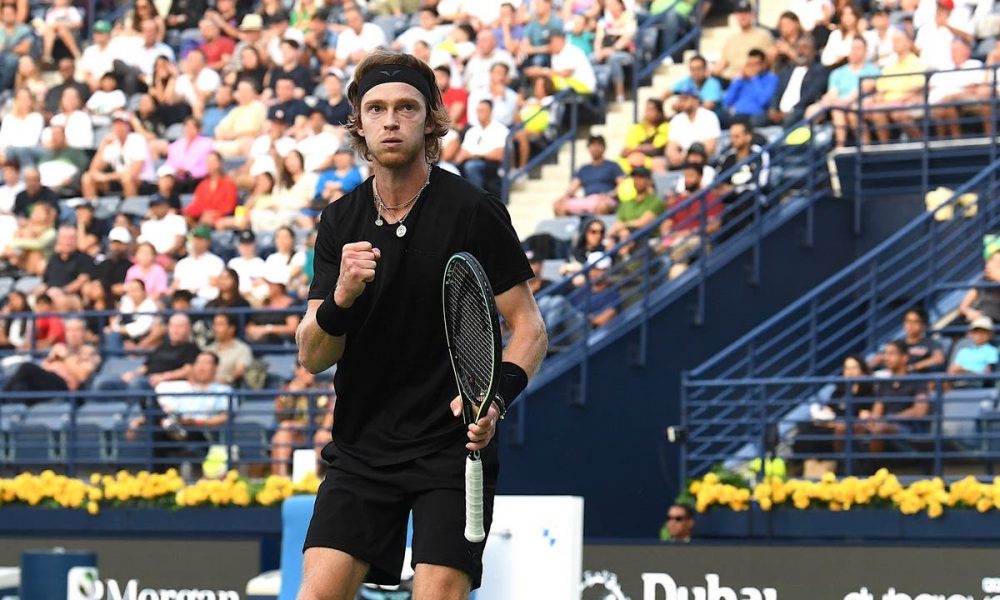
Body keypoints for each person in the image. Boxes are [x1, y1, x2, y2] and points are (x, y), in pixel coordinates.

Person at [295, 50, 546, 599]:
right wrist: (340, 297)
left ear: (430, 118)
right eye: (377, 108)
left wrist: (495, 397)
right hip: (361, 445)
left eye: (406, 107)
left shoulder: (473, 211)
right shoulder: (339, 219)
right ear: (357, 123)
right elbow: (313, 354)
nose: (390, 120)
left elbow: (529, 328)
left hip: (450, 448)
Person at [125, 351, 231, 470]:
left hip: (199, 432)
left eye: (206, 363)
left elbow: (225, 417)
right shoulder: (186, 390)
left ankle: (167, 425)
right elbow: (170, 411)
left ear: (215, 368)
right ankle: (159, 482)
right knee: (148, 401)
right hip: (175, 427)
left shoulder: (223, 390)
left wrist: (197, 422)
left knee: (167, 432)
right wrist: (138, 421)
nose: (201, 367)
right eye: (198, 362)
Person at [2, 318, 100, 399]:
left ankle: (2, 398)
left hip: (65, 386)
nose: (73, 334)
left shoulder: (90, 351)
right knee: (21, 388)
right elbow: (45, 366)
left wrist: (66, 358)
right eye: (69, 331)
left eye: (77, 330)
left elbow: (82, 376)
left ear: (84, 333)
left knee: (26, 367)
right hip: (47, 382)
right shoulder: (59, 348)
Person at [270, 363, 335, 475]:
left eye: (313, 372)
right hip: (297, 434)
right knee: (281, 436)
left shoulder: (321, 389)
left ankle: (312, 481)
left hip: (317, 431)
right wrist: (291, 395)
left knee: (320, 437)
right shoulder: (287, 390)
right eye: (306, 371)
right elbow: (281, 417)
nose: (311, 375)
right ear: (297, 371)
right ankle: (281, 480)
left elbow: (326, 417)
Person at [553, 134, 623, 216]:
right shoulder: (584, 169)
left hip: (606, 198)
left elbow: (622, 185)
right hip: (588, 200)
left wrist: (610, 194)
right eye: (593, 145)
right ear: (588, 148)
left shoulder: (613, 166)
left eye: (598, 145)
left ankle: (597, 228)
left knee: (602, 206)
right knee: (558, 206)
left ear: (604, 148)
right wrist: (564, 197)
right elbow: (573, 188)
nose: (595, 148)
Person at [767, 36, 828, 128]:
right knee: (755, 120)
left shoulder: (820, 71)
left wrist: (790, 111)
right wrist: (773, 108)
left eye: (805, 48)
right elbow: (777, 91)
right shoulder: (787, 70)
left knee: (791, 119)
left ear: (814, 51)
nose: (801, 51)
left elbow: (810, 95)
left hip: (800, 109)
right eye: (798, 47)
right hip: (780, 111)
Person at [710, 0, 774, 83]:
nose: (743, 16)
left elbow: (768, 61)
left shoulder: (763, 35)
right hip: (731, 80)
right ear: (736, 15)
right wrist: (711, 71)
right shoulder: (731, 39)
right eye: (740, 13)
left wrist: (746, 72)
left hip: (753, 80)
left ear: (753, 14)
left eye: (746, 12)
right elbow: (723, 62)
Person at [456, 100, 509, 195]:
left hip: (491, 165)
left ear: (490, 112)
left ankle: (478, 199)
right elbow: (461, 155)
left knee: (471, 166)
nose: (479, 113)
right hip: (474, 161)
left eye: (483, 110)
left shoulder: (501, 130)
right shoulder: (472, 131)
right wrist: (483, 154)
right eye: (478, 111)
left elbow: (499, 154)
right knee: (450, 168)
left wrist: (474, 154)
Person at [870, 308, 945, 373]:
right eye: (907, 321)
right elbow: (877, 359)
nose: (910, 325)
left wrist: (913, 367)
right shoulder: (896, 343)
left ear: (923, 325)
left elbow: (938, 359)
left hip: (919, 380)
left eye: (915, 322)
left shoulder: (931, 343)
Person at [723, 49, 779, 126]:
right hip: (737, 115)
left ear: (763, 64)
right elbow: (727, 101)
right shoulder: (741, 80)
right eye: (749, 64)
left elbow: (764, 102)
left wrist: (754, 78)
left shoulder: (771, 79)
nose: (752, 67)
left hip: (756, 116)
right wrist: (738, 80)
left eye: (755, 64)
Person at [205, 313, 253, 386]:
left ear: (231, 329)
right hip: (205, 390)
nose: (215, 328)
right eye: (215, 324)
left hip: (229, 391)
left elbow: (240, 370)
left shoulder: (242, 349)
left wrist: (227, 380)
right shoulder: (208, 349)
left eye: (220, 324)